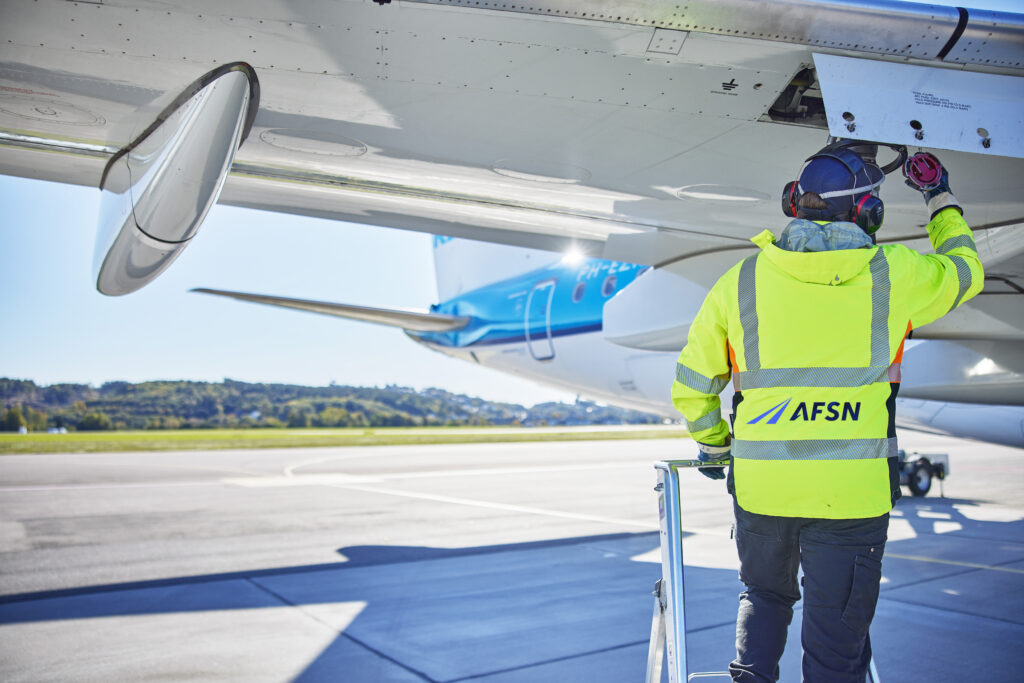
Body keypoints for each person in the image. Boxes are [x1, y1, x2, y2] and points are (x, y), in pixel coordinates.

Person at [670, 140, 984, 682]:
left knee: (764, 598)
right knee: (836, 643)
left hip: (763, 490)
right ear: (869, 212)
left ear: (794, 202)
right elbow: (965, 270)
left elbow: (694, 382)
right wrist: (939, 197)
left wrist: (714, 444)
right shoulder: (895, 274)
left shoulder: (741, 280)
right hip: (850, 498)